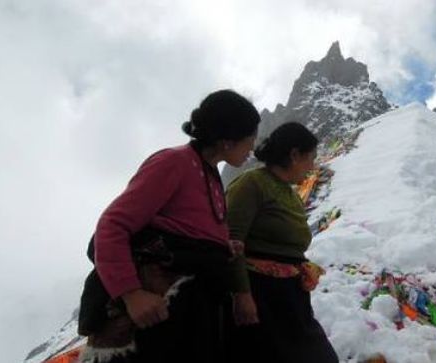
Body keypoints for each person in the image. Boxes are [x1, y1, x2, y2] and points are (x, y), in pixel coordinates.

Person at [78, 90, 260, 362]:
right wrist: (131, 295)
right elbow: (112, 225)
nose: (252, 148)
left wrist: (221, 247)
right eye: (250, 139)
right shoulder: (173, 163)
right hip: (157, 313)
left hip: (193, 312)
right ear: (227, 141)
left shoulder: (209, 173)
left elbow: (184, 228)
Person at [225, 122, 338, 363]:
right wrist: (242, 295)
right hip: (260, 295)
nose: (312, 166)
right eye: (310, 158)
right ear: (294, 155)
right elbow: (231, 240)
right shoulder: (252, 183)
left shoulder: (290, 193)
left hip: (290, 296)